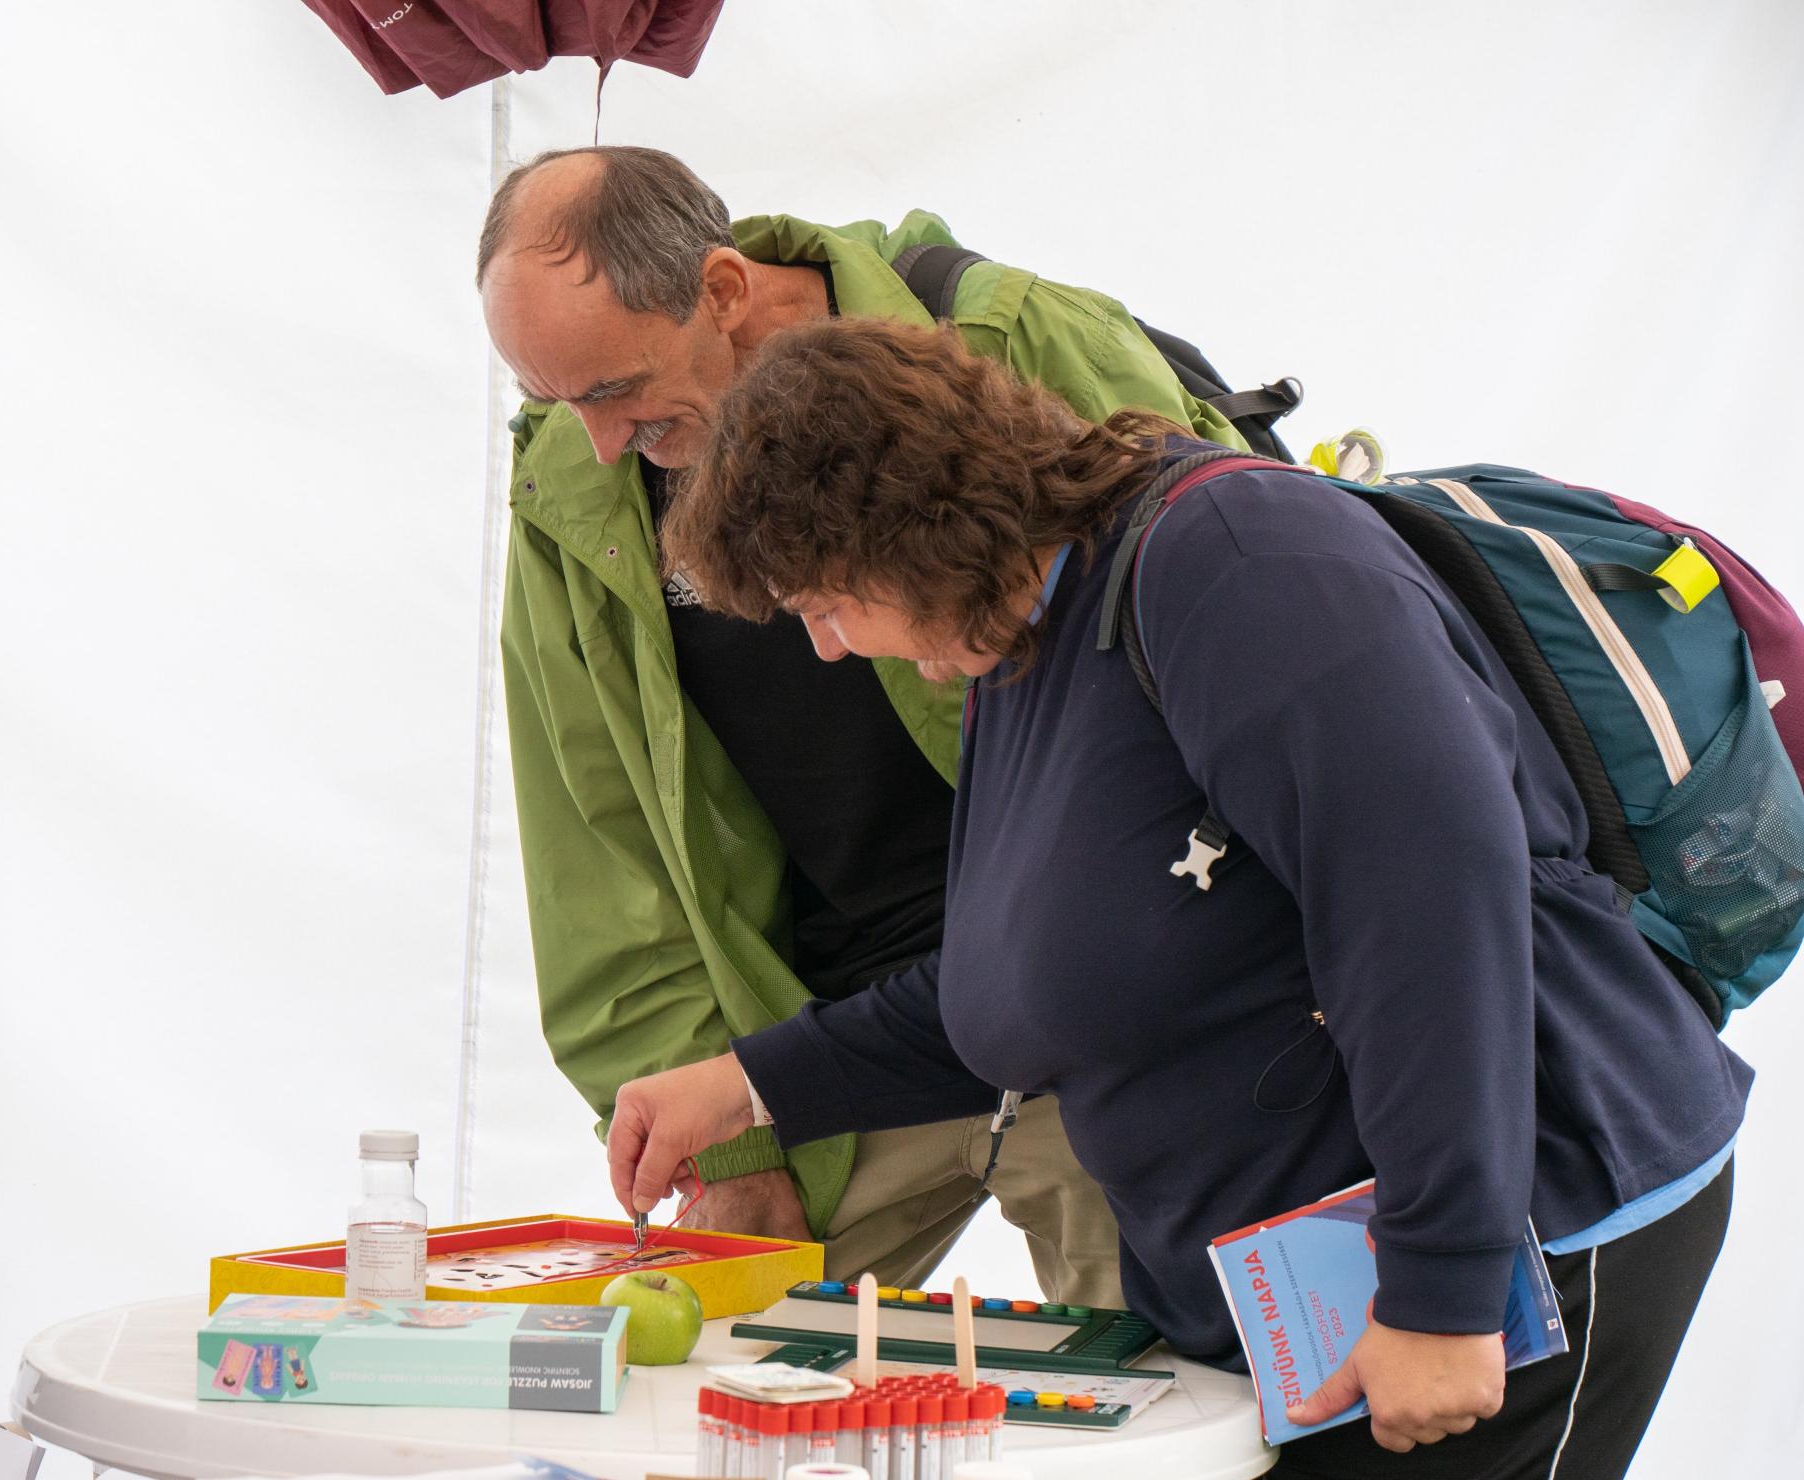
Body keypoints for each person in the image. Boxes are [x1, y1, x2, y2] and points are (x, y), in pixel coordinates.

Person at [606, 317, 1752, 1478]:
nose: (830, 647)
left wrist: (1444, 1288)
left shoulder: (1240, 559)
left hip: (1522, 1251)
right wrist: (751, 1084)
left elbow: (1430, 910)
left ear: (905, 532)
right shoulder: (1023, 637)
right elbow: (1047, 985)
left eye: (824, 602)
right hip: (1308, 1299)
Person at [476, 144, 1247, 1300]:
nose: (593, 439)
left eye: (612, 390)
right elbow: (604, 855)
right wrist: (732, 1142)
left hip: (1100, 1019)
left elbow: (1232, 650)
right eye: (553, 401)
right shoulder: (576, 488)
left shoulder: (1008, 338)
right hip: (832, 1059)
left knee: (1166, 1385)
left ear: (723, 288)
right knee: (702, 1373)